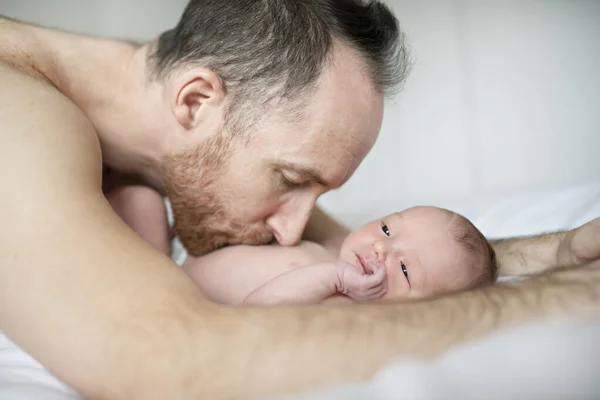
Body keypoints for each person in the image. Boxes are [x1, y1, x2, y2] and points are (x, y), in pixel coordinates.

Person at [0, 1, 599, 399]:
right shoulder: (20, 120)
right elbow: (164, 361)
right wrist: (564, 302)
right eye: (290, 178)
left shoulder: (175, 109)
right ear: (195, 101)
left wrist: (549, 254)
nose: (293, 231)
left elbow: (346, 254)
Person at [108, 186, 497, 305]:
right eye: (386, 229)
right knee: (139, 195)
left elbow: (258, 311)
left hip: (165, 292)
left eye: (406, 269)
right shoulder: (336, 247)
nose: (380, 249)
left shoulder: (343, 305)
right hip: (177, 254)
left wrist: (334, 277)